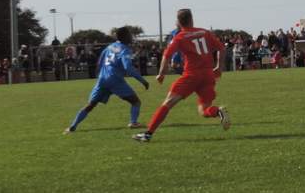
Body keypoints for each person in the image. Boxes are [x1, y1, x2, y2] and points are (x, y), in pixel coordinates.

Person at [134, 8, 230, 142]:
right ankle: (218, 111)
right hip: (208, 75)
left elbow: (166, 55)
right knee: (204, 110)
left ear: (178, 22)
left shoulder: (179, 37)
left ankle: (148, 134)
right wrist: (219, 67)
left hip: (191, 75)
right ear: (192, 19)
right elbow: (221, 48)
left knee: (168, 103)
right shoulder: (204, 32)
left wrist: (161, 74)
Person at [64, 27, 150, 134]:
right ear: (124, 37)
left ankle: (72, 126)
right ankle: (133, 122)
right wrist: (142, 80)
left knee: (91, 105)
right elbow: (128, 67)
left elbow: (100, 61)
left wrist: (100, 73)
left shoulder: (111, 46)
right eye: (129, 35)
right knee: (136, 101)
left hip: (103, 79)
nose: (131, 37)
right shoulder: (125, 49)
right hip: (115, 79)